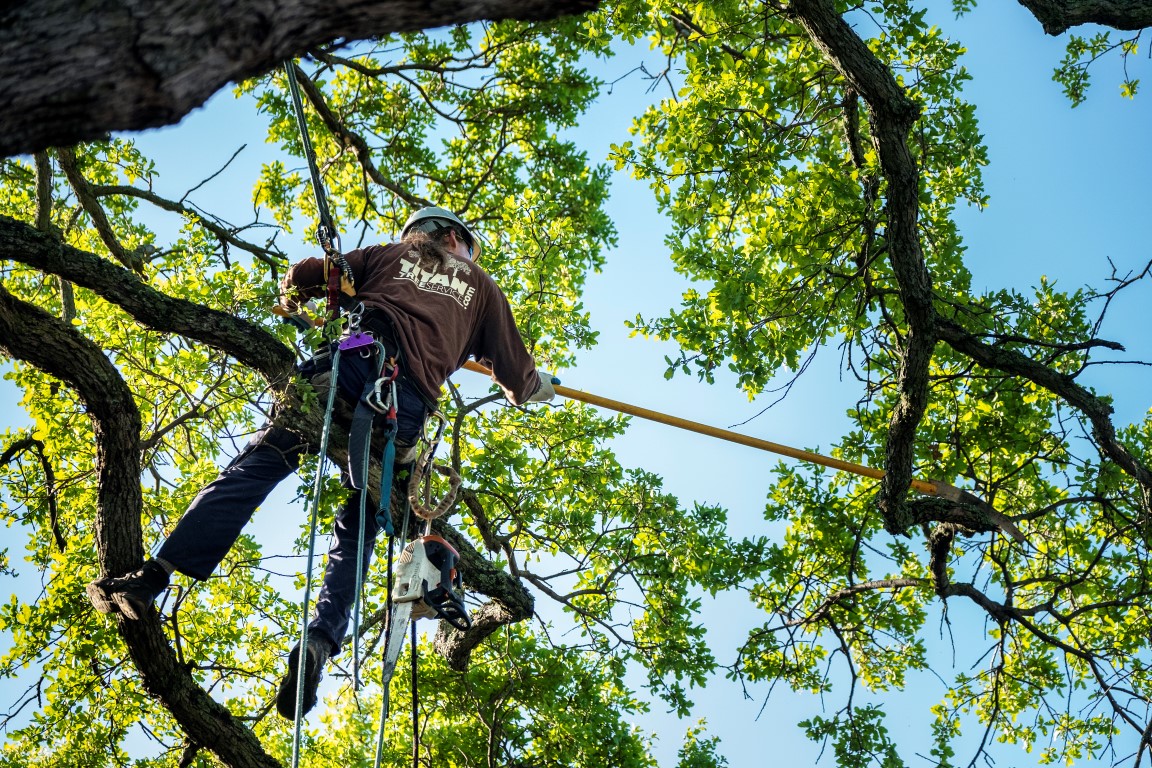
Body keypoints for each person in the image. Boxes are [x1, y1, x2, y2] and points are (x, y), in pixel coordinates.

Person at [85, 206, 555, 718]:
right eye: (468, 247)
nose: (468, 256)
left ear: (419, 235)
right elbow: (518, 377)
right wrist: (540, 386)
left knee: (257, 467)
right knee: (360, 524)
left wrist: (297, 298)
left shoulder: (387, 254)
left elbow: (306, 274)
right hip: (403, 412)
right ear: (452, 237)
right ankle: (321, 640)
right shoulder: (482, 290)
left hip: (349, 368)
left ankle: (154, 575)